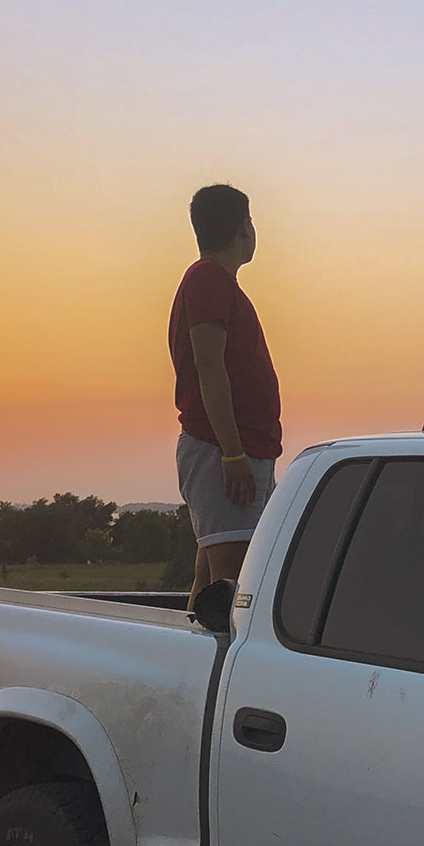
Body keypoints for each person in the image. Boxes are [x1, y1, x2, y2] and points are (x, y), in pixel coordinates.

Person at [168, 184, 282, 607]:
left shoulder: (217, 283)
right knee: (232, 593)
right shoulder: (208, 278)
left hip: (238, 450)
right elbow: (208, 366)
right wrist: (233, 454)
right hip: (224, 451)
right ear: (243, 229)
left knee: (211, 587)